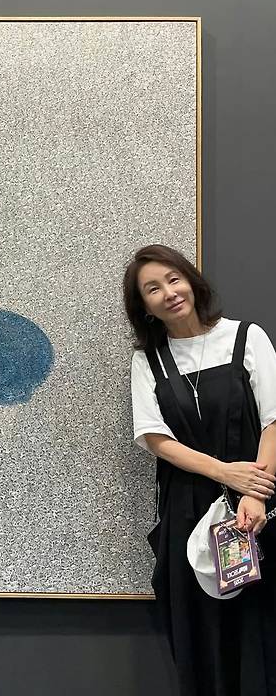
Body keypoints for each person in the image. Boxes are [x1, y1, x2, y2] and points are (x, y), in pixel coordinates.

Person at [123, 244, 276, 696]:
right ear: (144, 306)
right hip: (188, 512)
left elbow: (273, 420)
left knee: (261, 628)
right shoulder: (147, 361)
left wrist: (254, 492)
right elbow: (155, 438)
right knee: (201, 636)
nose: (169, 292)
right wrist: (225, 473)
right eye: (153, 288)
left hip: (259, 505)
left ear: (191, 281)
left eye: (174, 279)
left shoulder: (246, 337)